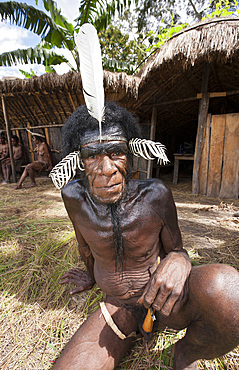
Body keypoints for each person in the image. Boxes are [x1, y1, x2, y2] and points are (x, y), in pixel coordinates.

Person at [49, 102, 239, 370]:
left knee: (231, 292)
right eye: (93, 156)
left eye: (116, 153)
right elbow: (85, 245)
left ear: (130, 155)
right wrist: (90, 276)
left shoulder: (155, 195)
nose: (107, 169)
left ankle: (183, 355)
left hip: (163, 300)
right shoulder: (72, 197)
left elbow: (177, 250)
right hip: (118, 307)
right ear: (79, 159)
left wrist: (180, 260)